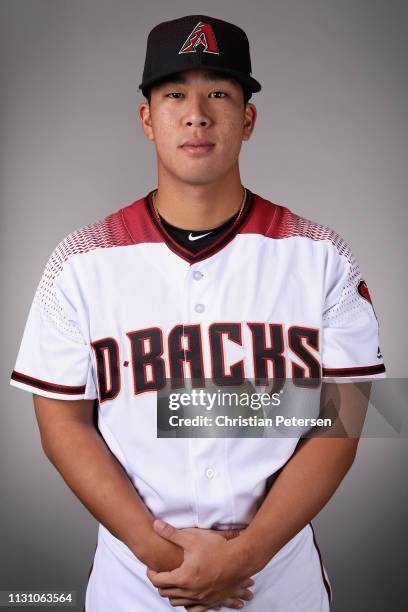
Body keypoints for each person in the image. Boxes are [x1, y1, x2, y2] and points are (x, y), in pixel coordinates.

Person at [10, 14, 386, 612]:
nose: (196, 114)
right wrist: (165, 559)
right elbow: (62, 425)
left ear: (248, 118)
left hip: (275, 582)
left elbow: (340, 426)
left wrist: (244, 557)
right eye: (174, 94)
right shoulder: (81, 261)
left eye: (219, 93)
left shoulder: (322, 257)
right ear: (146, 118)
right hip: (136, 582)